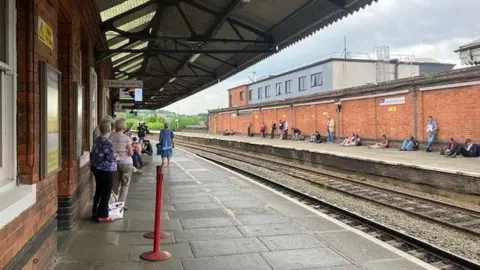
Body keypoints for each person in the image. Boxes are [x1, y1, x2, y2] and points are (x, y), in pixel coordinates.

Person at [91, 120, 117, 223]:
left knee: (99, 190)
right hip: (106, 170)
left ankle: (95, 212)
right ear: (109, 129)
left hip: (97, 169)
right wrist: (117, 156)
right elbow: (110, 158)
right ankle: (103, 215)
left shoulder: (97, 140)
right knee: (106, 192)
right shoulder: (107, 142)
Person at [109, 118, 134, 210]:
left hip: (114, 163)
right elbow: (131, 153)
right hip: (126, 163)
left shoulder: (111, 137)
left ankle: (113, 204)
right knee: (125, 185)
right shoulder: (126, 138)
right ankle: (121, 205)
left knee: (115, 185)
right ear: (124, 126)